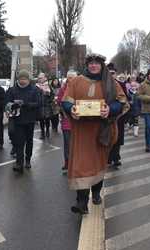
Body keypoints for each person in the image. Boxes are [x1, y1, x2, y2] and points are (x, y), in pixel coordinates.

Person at [62, 53, 128, 215]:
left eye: (96, 63)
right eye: (90, 63)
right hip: (81, 132)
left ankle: (97, 192)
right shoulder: (76, 81)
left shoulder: (110, 82)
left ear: (101, 65)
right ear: (87, 65)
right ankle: (81, 202)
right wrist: (71, 109)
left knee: (98, 163)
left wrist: (109, 109)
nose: (93, 66)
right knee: (81, 165)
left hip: (101, 130)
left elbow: (121, 102)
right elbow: (66, 100)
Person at [5, 70, 40, 173]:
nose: (22, 81)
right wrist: (11, 105)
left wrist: (27, 104)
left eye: (24, 79)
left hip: (29, 120)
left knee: (29, 141)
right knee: (19, 142)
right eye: (20, 79)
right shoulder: (12, 90)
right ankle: (19, 163)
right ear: (18, 79)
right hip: (17, 120)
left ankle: (28, 159)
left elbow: (38, 103)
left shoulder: (34, 90)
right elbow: (6, 102)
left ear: (28, 79)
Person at [56, 70, 78, 174]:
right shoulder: (63, 88)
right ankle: (67, 163)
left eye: (73, 77)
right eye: (69, 77)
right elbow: (59, 101)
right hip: (67, 120)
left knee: (78, 144)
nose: (71, 79)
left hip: (79, 121)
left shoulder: (80, 88)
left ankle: (77, 163)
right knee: (67, 144)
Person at [108, 71, 129, 168]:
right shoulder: (102, 84)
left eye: (113, 73)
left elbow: (125, 100)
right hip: (106, 116)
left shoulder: (120, 85)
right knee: (107, 137)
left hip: (118, 116)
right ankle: (108, 157)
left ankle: (116, 157)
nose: (112, 75)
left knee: (118, 137)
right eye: (110, 73)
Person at [35, 73, 54, 139]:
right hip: (40, 106)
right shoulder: (36, 86)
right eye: (39, 78)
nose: (40, 79)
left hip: (47, 106)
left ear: (45, 78)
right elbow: (34, 95)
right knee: (41, 120)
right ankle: (42, 132)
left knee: (47, 119)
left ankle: (47, 131)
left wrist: (49, 99)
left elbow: (52, 95)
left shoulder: (48, 86)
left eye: (41, 78)